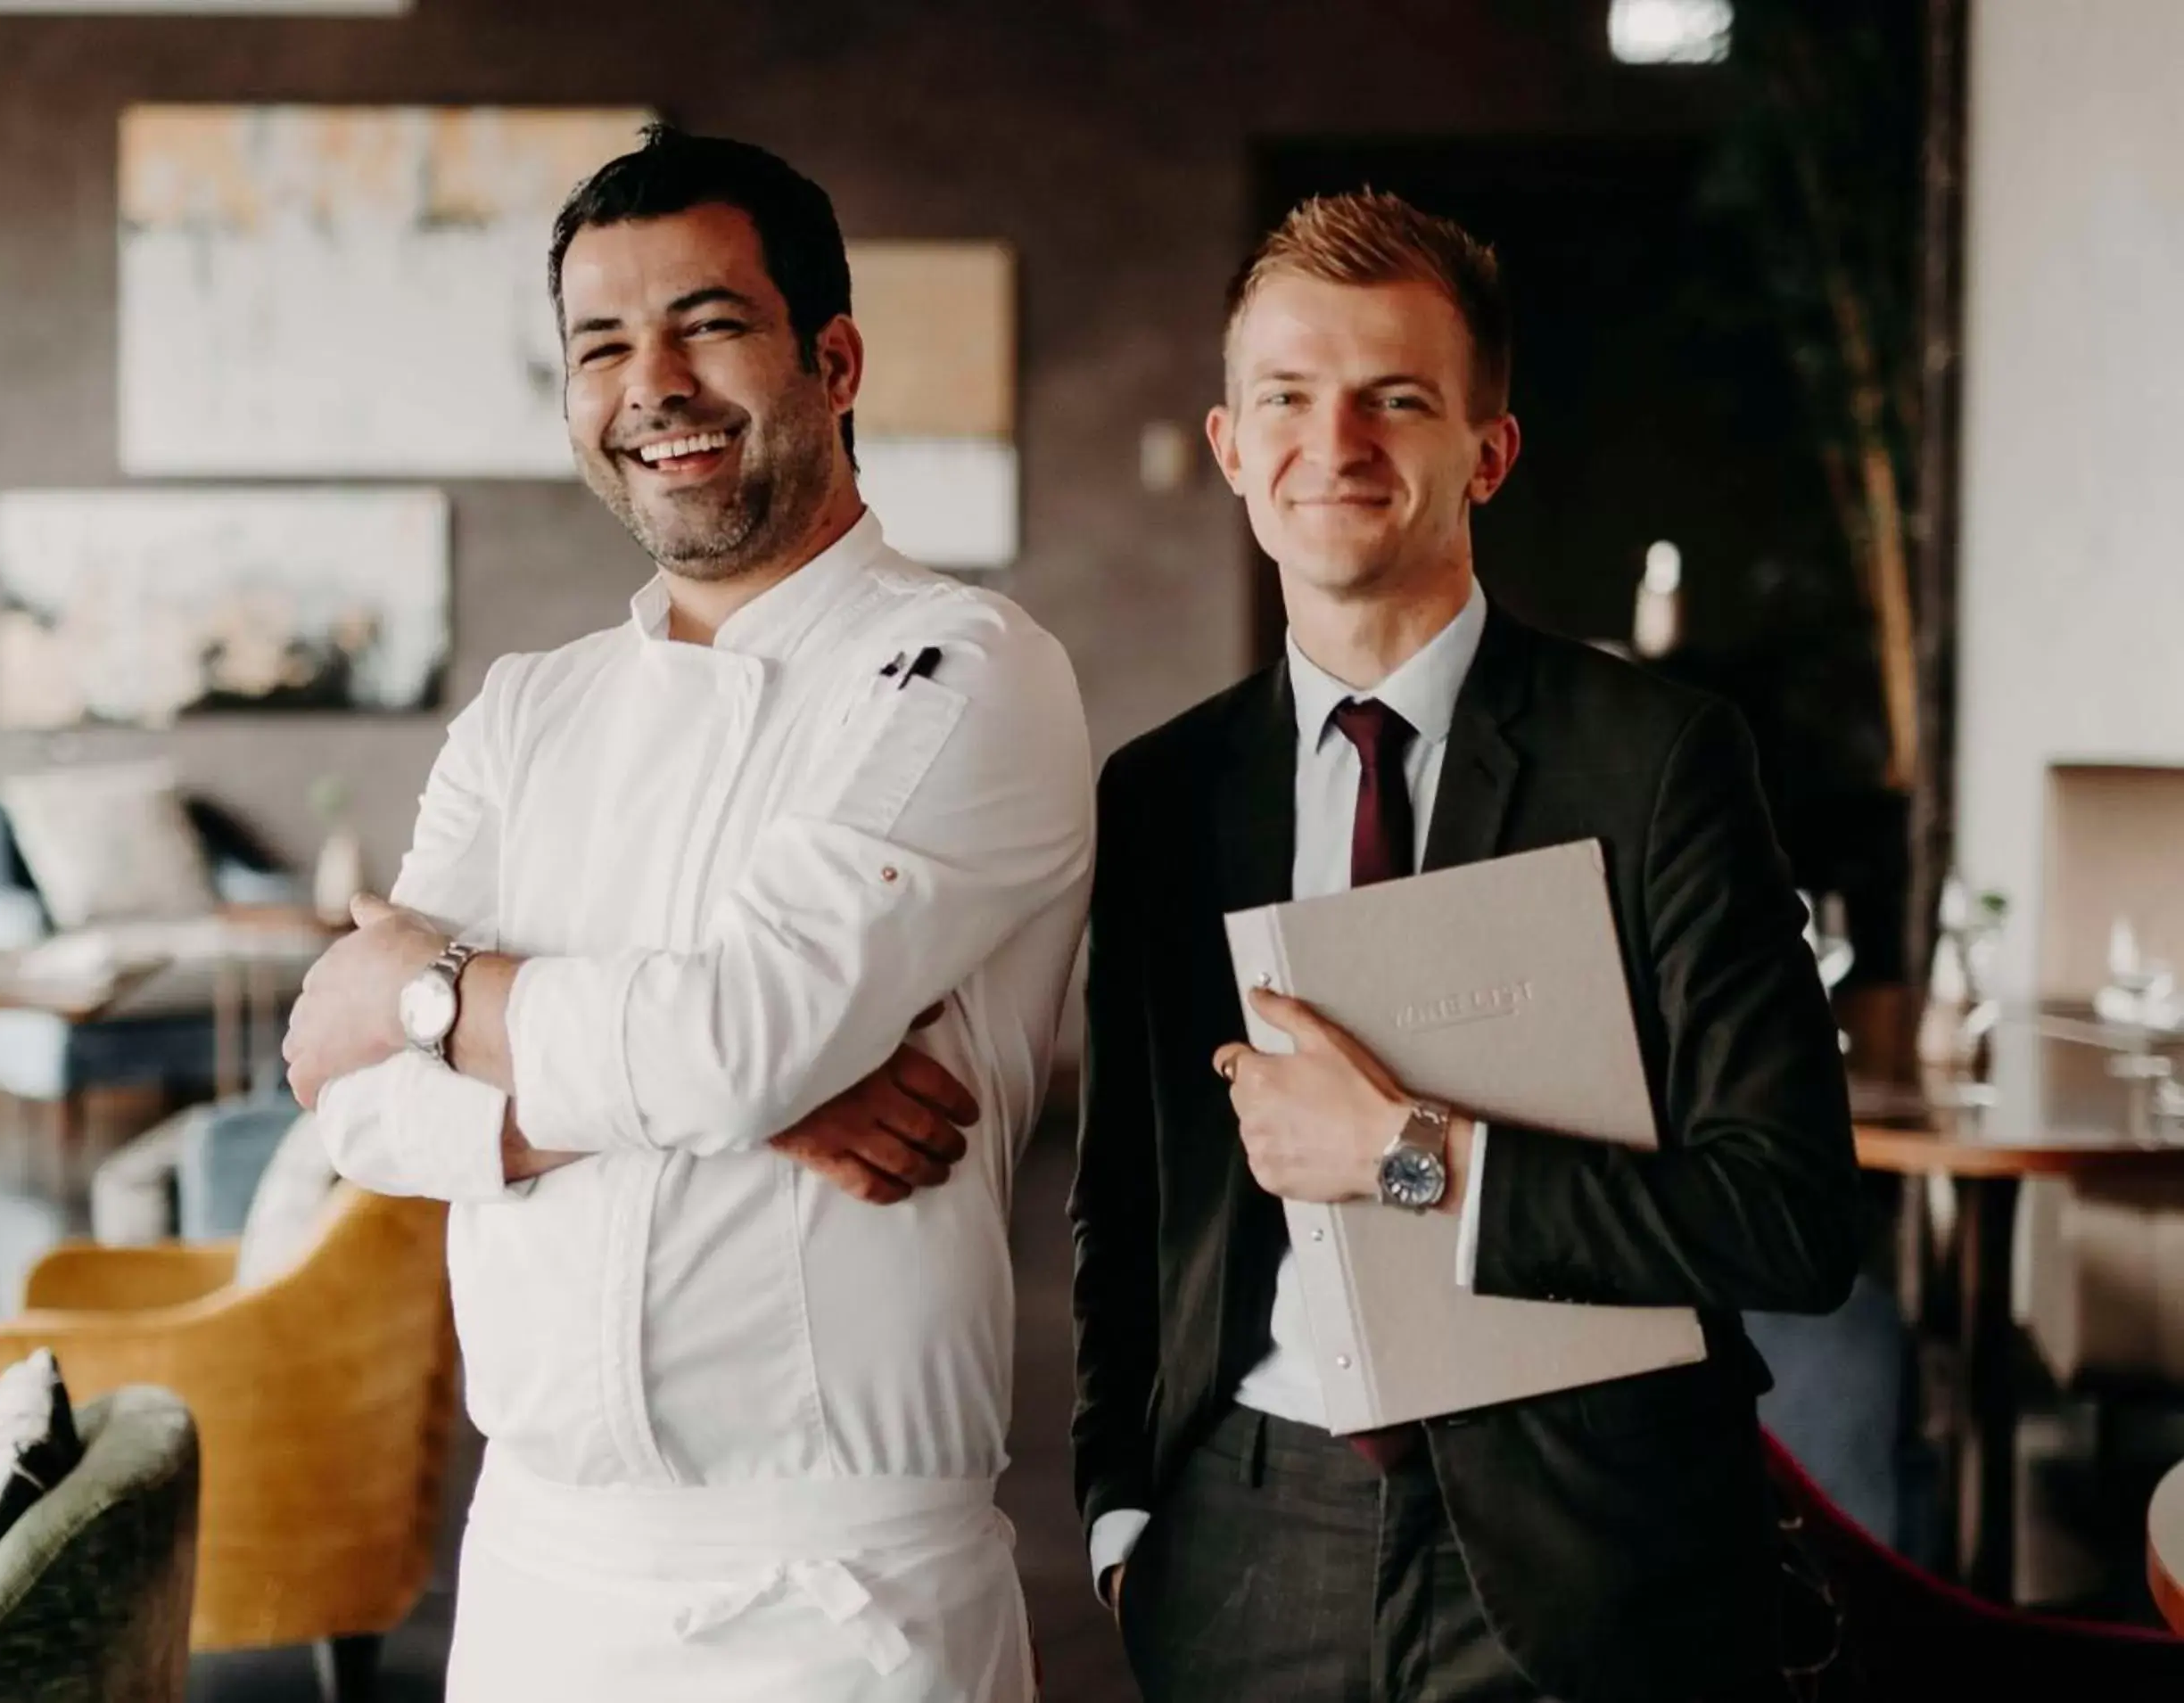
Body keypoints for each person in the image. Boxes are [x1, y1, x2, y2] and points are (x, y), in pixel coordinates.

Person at [280, 125, 1092, 1703]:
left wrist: (429, 989)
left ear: (834, 357)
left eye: (708, 323)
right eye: (602, 345)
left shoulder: (966, 667)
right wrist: (749, 1096)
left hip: (836, 1591)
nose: (650, 383)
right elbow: (357, 1113)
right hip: (530, 1570)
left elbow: (724, 1040)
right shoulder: (530, 709)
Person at [1068, 189, 1860, 1703]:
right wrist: (1123, 1512)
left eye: (1398, 399)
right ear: (1232, 448)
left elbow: (1793, 1218)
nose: (1337, 442)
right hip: (1242, 1532)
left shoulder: (1659, 760)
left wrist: (1409, 1153)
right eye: (1288, 398)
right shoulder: (1164, 795)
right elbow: (1124, 1197)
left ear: (1486, 452)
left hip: (1583, 1542)